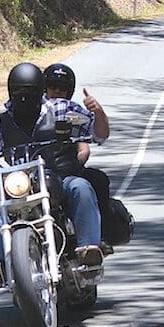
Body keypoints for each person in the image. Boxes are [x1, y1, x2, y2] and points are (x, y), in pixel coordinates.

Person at [0, 62, 104, 289]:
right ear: (11, 92)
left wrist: (98, 113)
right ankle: (0, 265)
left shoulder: (61, 109)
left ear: (39, 91)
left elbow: (98, 134)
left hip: (59, 178)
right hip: (19, 187)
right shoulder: (0, 123)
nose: (24, 98)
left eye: (30, 93)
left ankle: (88, 251)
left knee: (81, 186)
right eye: (19, 93)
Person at [43, 63, 112, 241]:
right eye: (52, 86)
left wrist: (97, 111)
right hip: (32, 178)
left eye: (63, 88)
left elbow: (99, 136)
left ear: (69, 91)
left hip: (64, 174)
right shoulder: (29, 113)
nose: (57, 91)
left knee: (94, 181)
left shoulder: (70, 112)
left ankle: (96, 240)